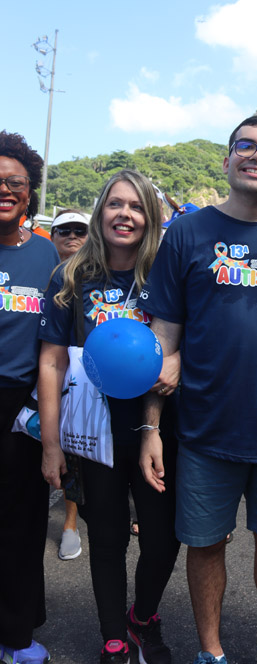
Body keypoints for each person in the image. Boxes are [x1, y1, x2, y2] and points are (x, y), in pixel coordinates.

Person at [138, 116, 257, 664]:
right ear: (227, 160)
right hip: (205, 428)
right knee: (205, 544)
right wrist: (151, 426)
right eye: (247, 145)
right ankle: (211, 653)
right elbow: (164, 338)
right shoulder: (186, 234)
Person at [38, 169, 180, 664]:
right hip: (93, 429)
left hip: (158, 427)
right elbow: (52, 361)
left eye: (137, 206)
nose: (125, 214)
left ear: (151, 217)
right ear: (101, 212)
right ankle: (114, 636)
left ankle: (142, 617)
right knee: (108, 536)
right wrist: (51, 444)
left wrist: (179, 361)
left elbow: (193, 335)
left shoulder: (166, 272)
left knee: (162, 538)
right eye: (116, 204)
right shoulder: (71, 275)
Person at [0, 131, 59, 664]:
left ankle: (16, 636)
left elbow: (55, 342)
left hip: (21, 405)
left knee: (21, 523)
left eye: (14, 181)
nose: (4, 189)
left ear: (30, 191)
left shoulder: (47, 255)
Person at [49, 208, 90, 561]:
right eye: (65, 230)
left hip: (75, 382)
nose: (72, 236)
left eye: (80, 230)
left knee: (72, 456)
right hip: (33, 377)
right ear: (52, 236)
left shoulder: (94, 278)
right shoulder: (41, 271)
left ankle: (70, 524)